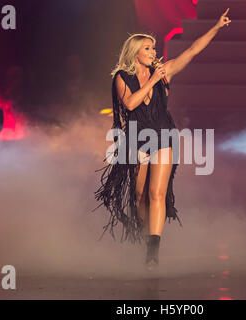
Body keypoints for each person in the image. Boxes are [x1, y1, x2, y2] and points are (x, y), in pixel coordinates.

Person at [94, 9, 232, 269]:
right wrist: (153, 80)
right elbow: (131, 104)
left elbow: (191, 51)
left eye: (153, 48)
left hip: (164, 135)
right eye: (147, 48)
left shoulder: (164, 71)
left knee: (157, 193)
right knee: (140, 195)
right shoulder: (122, 78)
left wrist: (216, 27)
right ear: (135, 52)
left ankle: (152, 250)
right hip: (137, 138)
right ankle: (144, 236)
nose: (153, 52)